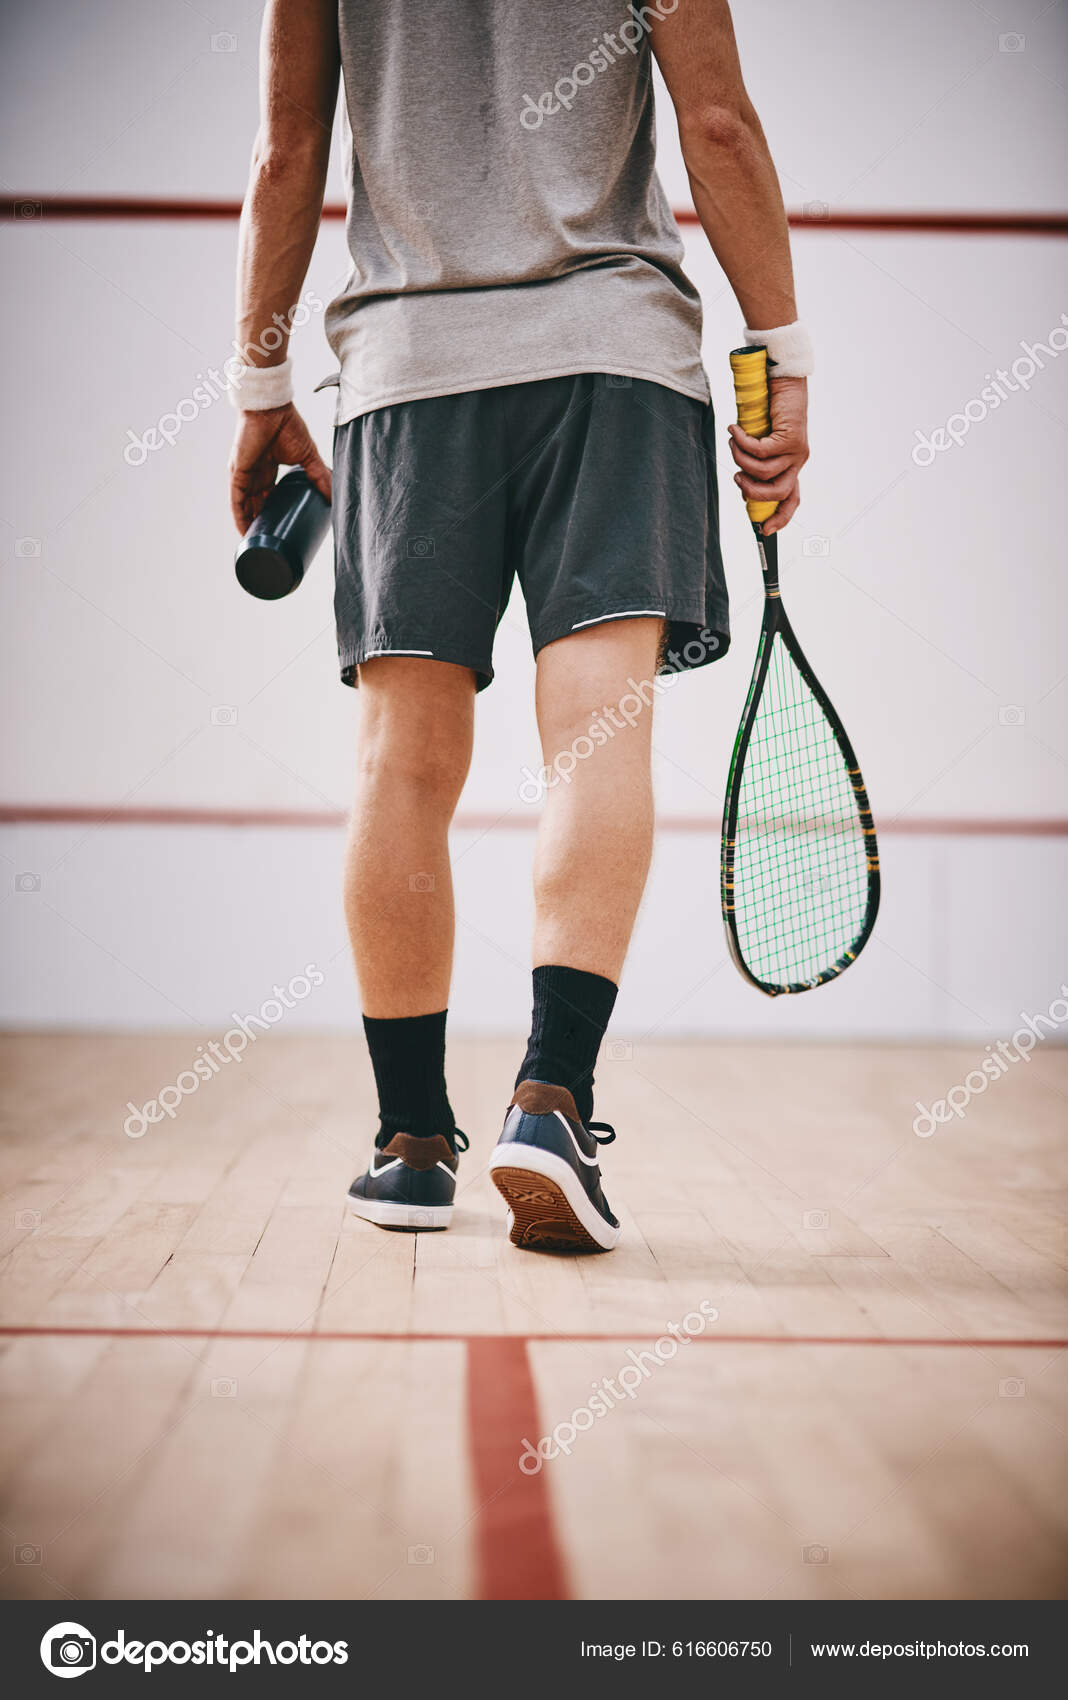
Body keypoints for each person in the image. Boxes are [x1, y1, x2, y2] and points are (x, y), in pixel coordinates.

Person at [228, 0, 810, 1253]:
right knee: (598, 735)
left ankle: (409, 1145)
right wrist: (784, 354)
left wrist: (259, 382)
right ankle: (551, 1101)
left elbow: (286, 152)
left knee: (401, 761)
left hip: (407, 372)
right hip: (612, 357)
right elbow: (716, 121)